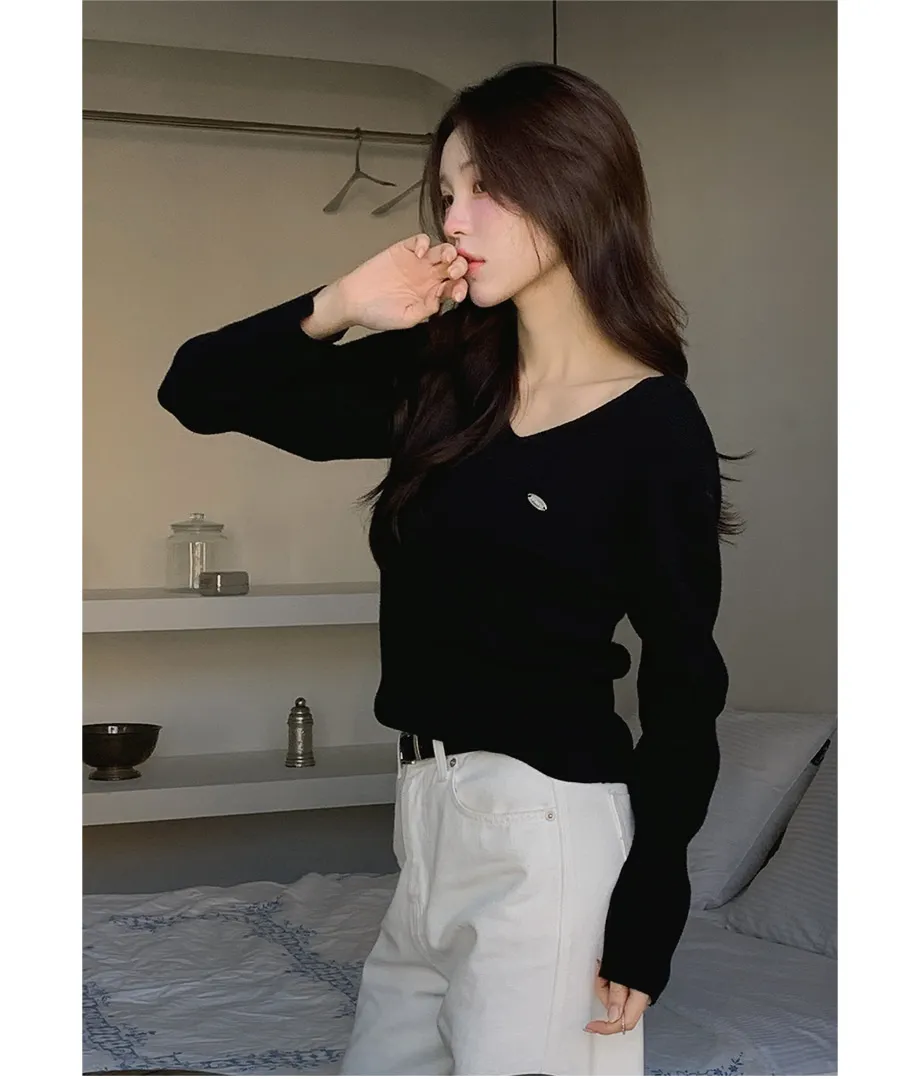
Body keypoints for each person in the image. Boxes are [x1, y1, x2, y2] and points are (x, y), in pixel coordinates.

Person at [158, 62, 737, 1077]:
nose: (454, 218)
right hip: (425, 813)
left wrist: (654, 897)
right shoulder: (441, 378)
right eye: (446, 191)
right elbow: (195, 390)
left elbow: (685, 678)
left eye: (486, 188)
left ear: (574, 190)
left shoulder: (651, 423)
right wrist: (342, 301)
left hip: (549, 829)